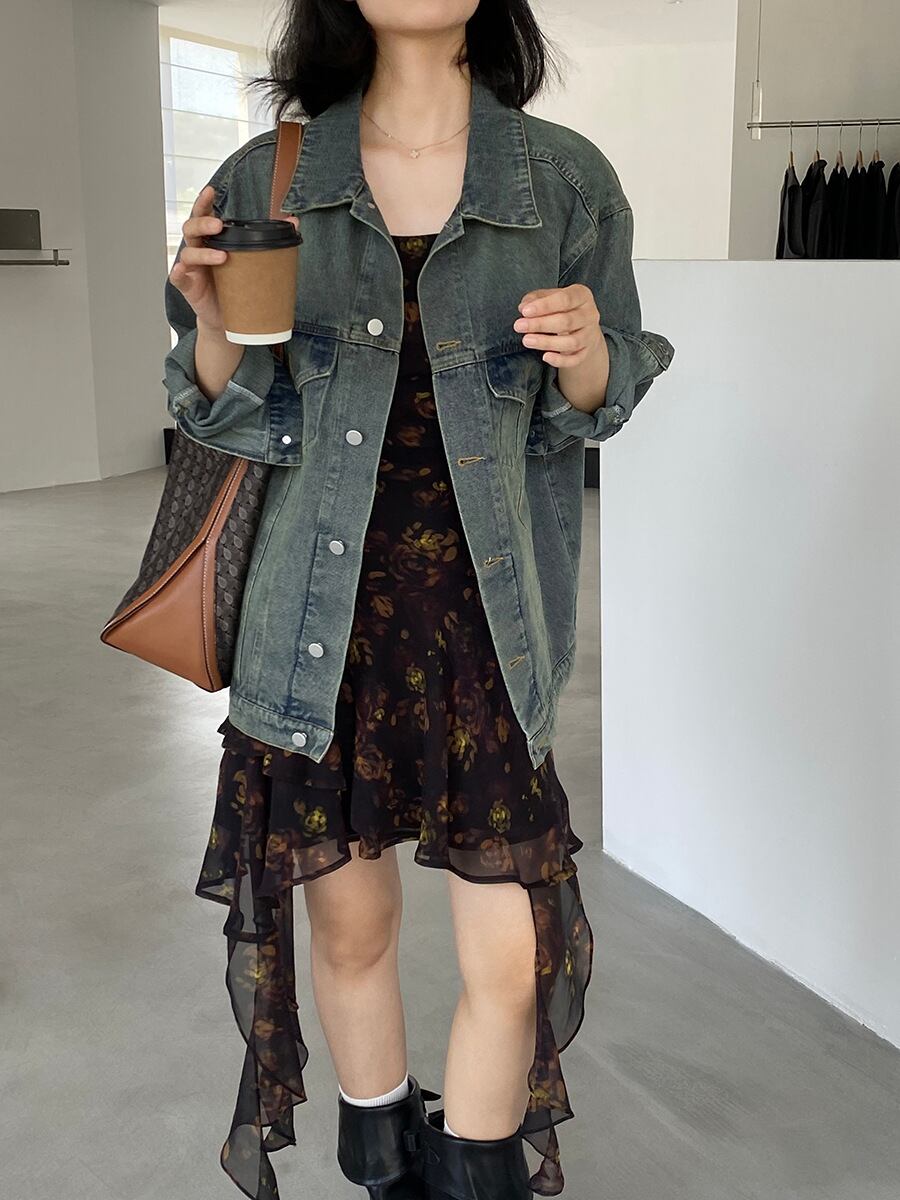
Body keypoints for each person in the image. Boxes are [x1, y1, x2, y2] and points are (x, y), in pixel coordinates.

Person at [164, 2, 674, 1198]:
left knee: (508, 954)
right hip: (316, 629)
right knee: (353, 930)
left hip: (491, 629)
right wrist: (212, 325)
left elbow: (600, 401)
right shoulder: (268, 174)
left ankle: (477, 1176)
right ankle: (388, 1170)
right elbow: (225, 408)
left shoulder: (565, 183)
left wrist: (589, 351)